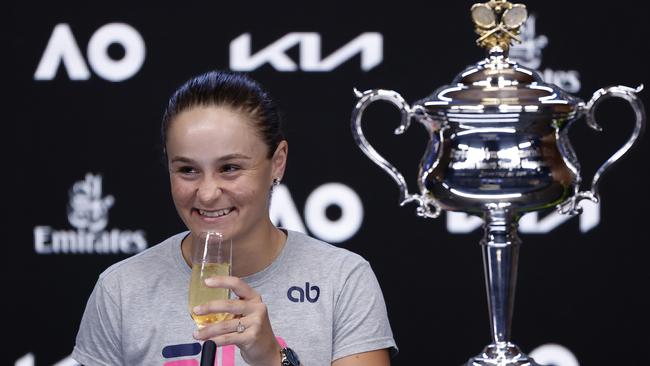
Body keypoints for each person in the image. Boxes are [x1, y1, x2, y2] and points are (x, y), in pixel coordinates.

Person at [71, 70, 397, 366]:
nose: (208, 193)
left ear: (277, 163)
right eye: (187, 170)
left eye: (229, 168)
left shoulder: (342, 280)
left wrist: (272, 358)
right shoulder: (121, 289)